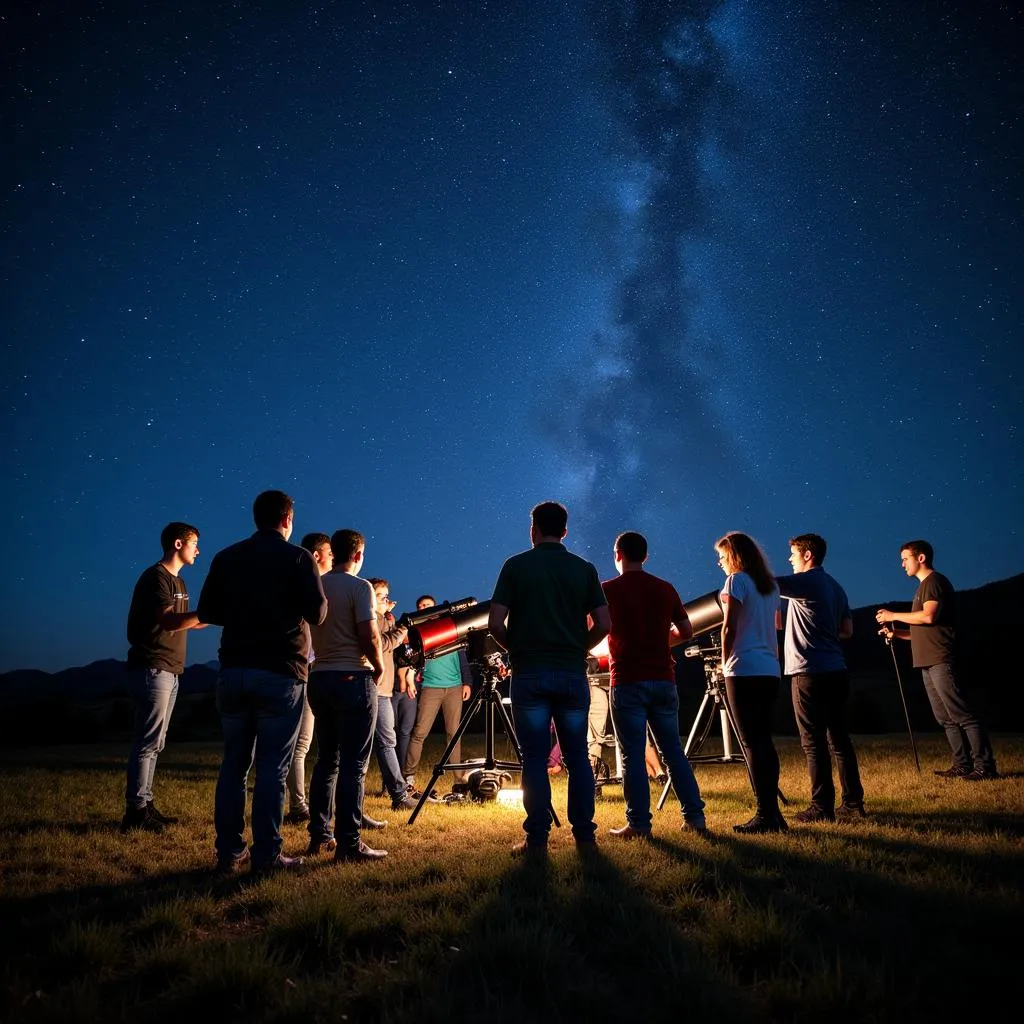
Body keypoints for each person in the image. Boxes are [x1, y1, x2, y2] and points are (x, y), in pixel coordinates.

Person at [197, 490, 327, 875]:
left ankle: (229, 851)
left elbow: (207, 610)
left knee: (233, 766)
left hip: (233, 670)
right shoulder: (298, 558)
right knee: (272, 769)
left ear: (256, 518)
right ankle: (267, 854)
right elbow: (318, 613)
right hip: (280, 672)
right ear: (288, 519)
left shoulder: (226, 557)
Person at [488, 501, 610, 854]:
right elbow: (604, 623)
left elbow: (495, 623)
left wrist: (518, 648)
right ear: (565, 531)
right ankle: (585, 837)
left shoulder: (515, 567)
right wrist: (578, 647)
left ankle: (537, 839)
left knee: (535, 759)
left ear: (533, 529)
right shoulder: (584, 569)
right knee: (577, 758)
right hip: (572, 672)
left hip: (530, 673)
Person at [603, 531, 706, 838]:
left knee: (632, 755)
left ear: (618, 554)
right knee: (673, 752)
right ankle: (695, 818)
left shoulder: (607, 590)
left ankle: (638, 824)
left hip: (627, 679)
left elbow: (595, 627)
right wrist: (662, 640)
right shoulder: (665, 588)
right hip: (663, 678)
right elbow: (686, 630)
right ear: (645, 556)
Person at [876, 540, 997, 781]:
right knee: (945, 718)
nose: (902, 564)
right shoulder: (922, 588)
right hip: (927, 661)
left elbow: (929, 617)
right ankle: (961, 763)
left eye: (905, 559)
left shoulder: (935, 583)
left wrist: (893, 615)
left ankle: (985, 766)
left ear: (920, 558)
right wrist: (896, 633)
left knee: (961, 714)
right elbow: (922, 629)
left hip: (941, 659)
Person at [306, 529, 388, 861]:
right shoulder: (359, 587)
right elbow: (368, 632)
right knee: (354, 764)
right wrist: (379, 665)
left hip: (320, 676)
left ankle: (319, 835)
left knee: (327, 760)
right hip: (352, 676)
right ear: (357, 555)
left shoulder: (317, 586)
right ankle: (349, 842)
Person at [122, 522, 206, 834]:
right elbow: (170, 621)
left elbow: (187, 622)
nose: (198, 550)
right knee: (147, 741)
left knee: (157, 742)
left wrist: (215, 614)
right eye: (193, 543)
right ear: (177, 544)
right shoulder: (156, 578)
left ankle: (145, 803)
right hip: (152, 666)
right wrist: (206, 610)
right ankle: (135, 811)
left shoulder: (179, 581)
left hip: (170, 669)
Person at [776, 533, 865, 822]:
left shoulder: (806, 581)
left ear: (807, 555)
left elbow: (767, 584)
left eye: (792, 554)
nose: (789, 559)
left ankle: (821, 807)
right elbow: (848, 631)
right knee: (839, 739)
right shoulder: (835, 587)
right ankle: (853, 803)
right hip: (836, 670)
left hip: (808, 672)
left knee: (813, 742)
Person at [716, 531, 786, 834]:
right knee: (764, 741)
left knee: (751, 743)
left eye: (722, 556)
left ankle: (765, 815)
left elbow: (728, 626)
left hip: (743, 668)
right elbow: (777, 627)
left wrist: (723, 661)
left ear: (734, 555)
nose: (720, 563)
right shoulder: (770, 587)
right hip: (769, 668)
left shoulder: (737, 581)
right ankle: (773, 813)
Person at [282, 532, 334, 825]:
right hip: (303, 669)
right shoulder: (310, 586)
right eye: (329, 552)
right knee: (300, 744)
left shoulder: (323, 585)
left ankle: (302, 804)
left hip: (314, 669)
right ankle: (298, 806)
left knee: (307, 743)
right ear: (316, 556)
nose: (332, 557)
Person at [401, 594, 473, 798]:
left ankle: (459, 780)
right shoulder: (417, 634)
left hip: (454, 687)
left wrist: (467, 682)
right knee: (420, 733)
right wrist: (409, 677)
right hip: (431, 687)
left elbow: (461, 654)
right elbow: (411, 659)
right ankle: (409, 777)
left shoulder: (449, 627)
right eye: (421, 606)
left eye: (429, 606)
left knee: (454, 734)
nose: (425, 608)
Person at [367, 578, 418, 811]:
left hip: (382, 690)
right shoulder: (369, 619)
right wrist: (402, 628)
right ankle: (398, 794)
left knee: (384, 742)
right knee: (385, 742)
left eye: (387, 596)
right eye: (381, 596)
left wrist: (389, 617)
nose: (386, 600)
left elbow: (393, 639)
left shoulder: (381, 618)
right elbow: (386, 643)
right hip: (375, 690)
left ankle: (397, 793)